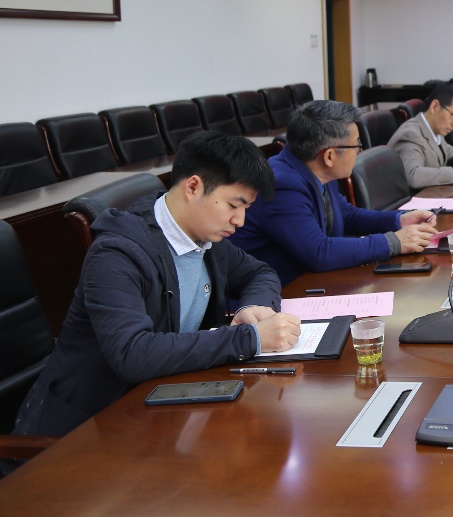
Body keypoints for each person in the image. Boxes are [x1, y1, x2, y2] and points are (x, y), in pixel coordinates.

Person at [13, 131, 300, 438]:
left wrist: (254, 307)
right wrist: (248, 339)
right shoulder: (116, 254)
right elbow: (132, 354)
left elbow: (260, 273)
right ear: (193, 187)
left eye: (246, 209)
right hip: (87, 429)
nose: (239, 220)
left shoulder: (206, 237)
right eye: (233, 205)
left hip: (164, 405)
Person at [235, 101, 439, 285]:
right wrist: (394, 242)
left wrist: (398, 220)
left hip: (313, 280)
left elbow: (346, 215)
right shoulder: (282, 185)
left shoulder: (315, 168)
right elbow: (319, 252)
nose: (359, 151)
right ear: (330, 156)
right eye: (357, 144)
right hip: (280, 293)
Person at [389, 83, 453, 189]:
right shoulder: (411, 134)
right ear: (435, 107)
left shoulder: (435, 130)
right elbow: (413, 176)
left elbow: (450, 151)